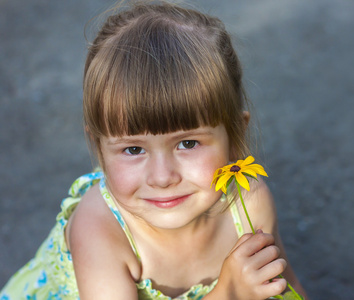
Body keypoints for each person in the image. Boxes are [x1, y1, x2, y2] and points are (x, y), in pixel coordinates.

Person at [0, 1, 309, 299]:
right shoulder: (100, 230)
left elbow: (286, 286)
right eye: (133, 149)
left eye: (188, 143)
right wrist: (228, 293)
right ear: (98, 147)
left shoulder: (249, 204)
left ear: (235, 135)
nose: (162, 178)